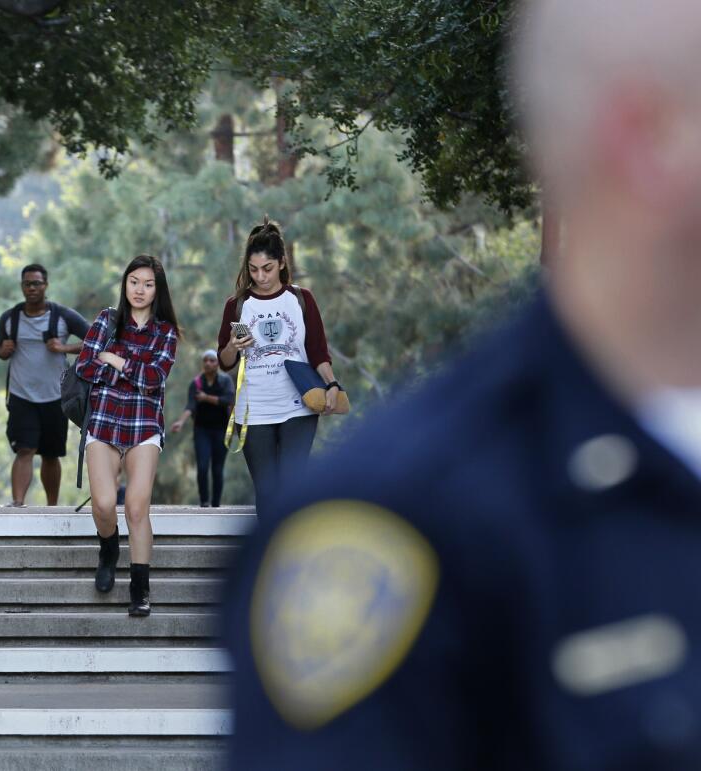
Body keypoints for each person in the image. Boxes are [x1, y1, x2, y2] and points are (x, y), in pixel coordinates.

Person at [225, 1, 701, 767]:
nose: (264, 272)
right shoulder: (399, 522)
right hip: (263, 406)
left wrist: (326, 381)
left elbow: (317, 347)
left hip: (299, 402)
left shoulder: (303, 306)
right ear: (650, 138)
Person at [75, 254, 178, 616]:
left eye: (148, 284)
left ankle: (140, 587)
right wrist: (129, 369)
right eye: (134, 281)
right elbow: (85, 366)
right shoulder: (106, 319)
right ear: (125, 283)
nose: (139, 290)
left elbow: (155, 380)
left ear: (157, 290)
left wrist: (115, 360)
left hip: (144, 424)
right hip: (103, 421)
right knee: (103, 504)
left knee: (136, 507)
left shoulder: (165, 332)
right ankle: (108, 547)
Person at [217, 218, 342, 510]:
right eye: (253, 269)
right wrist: (232, 347)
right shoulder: (236, 306)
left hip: (298, 406)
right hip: (253, 410)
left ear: (282, 263)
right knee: (268, 493)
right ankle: (273, 553)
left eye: (267, 268)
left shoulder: (300, 300)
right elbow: (225, 363)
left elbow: (318, 352)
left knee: (293, 488)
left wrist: (332, 383)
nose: (260, 277)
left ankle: (296, 552)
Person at [0, 264, 91, 506]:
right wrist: (2, 350)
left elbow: (96, 340)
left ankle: (52, 507)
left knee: (50, 454)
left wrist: (64, 348)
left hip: (55, 397)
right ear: (22, 287)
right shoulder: (10, 318)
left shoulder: (63, 316)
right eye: (27, 284)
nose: (32, 288)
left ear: (46, 286)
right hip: (21, 396)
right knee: (24, 450)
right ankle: (17, 504)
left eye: (37, 283)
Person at [169, 350, 235, 507]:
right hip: (202, 430)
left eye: (212, 360)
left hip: (222, 430)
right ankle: (204, 501)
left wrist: (207, 398)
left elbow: (229, 399)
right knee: (203, 466)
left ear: (217, 363)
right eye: (205, 360)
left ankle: (216, 503)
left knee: (218, 469)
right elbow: (190, 405)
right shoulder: (196, 383)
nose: (208, 363)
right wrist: (181, 422)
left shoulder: (225, 381)